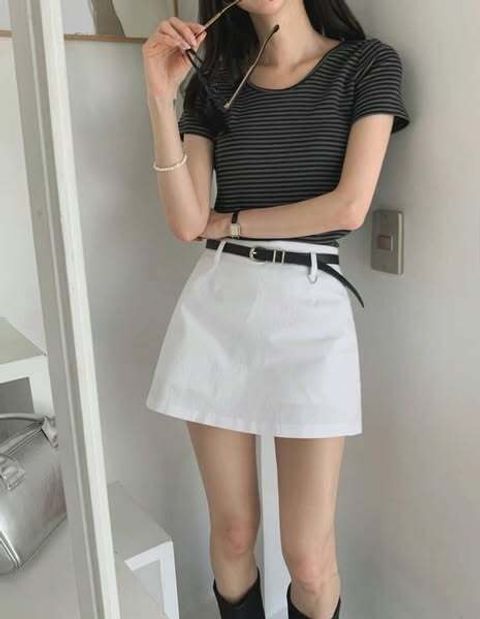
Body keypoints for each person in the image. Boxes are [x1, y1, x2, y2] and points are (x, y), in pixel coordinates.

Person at [142, 0, 410, 617]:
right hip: (217, 311)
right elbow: (186, 222)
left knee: (309, 559)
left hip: (310, 309)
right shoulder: (215, 81)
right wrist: (159, 95)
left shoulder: (367, 65)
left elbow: (348, 207)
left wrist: (231, 222)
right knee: (234, 534)